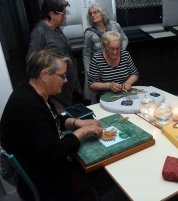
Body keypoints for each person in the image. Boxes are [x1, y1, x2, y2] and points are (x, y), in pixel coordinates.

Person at [1, 49, 104, 201]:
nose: (66, 80)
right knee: (101, 171)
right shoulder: (28, 107)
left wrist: (77, 122)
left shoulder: (31, 92)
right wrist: (82, 132)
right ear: (44, 75)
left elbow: (53, 118)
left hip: (39, 167)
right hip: (48, 181)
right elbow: (55, 153)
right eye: (62, 75)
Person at [26, 0, 82, 113]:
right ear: (52, 14)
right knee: (61, 121)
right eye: (63, 14)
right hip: (56, 90)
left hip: (68, 85)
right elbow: (31, 59)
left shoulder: (56, 29)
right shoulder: (40, 31)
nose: (65, 17)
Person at [83, 3, 128, 102]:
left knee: (120, 91)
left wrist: (119, 52)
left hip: (117, 65)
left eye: (96, 12)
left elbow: (124, 39)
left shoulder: (115, 26)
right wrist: (88, 71)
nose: (93, 15)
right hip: (100, 68)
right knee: (102, 95)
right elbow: (86, 54)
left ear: (102, 13)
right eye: (90, 14)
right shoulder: (89, 33)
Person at [88, 31, 138, 103]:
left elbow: (135, 74)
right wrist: (109, 86)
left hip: (125, 96)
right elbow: (92, 84)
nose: (115, 52)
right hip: (105, 99)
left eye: (118, 48)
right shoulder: (97, 59)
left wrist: (128, 82)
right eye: (111, 49)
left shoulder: (125, 55)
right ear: (105, 47)